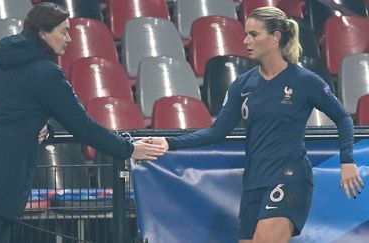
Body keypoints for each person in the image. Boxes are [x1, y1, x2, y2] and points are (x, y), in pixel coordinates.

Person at [0, 3, 165, 243]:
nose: (69, 39)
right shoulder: (46, 73)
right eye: (63, 31)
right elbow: (82, 126)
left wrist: (41, 129)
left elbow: (9, 114)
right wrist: (129, 149)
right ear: (42, 33)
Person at [149, 6, 364, 243]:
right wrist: (169, 142)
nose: (245, 41)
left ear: (275, 37)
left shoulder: (304, 81)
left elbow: (343, 118)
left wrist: (347, 160)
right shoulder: (242, 85)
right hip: (254, 182)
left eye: (253, 34)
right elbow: (217, 131)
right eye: (245, 34)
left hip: (290, 176)